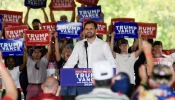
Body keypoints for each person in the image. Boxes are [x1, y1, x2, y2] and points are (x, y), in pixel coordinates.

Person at [63, 20, 116, 95]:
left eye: (91, 29)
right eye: (86, 29)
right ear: (84, 31)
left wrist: (111, 77)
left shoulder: (104, 45)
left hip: (98, 81)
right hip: (82, 81)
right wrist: (63, 73)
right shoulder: (79, 44)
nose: (88, 31)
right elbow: (71, 62)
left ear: (96, 30)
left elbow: (112, 63)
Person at [110, 32, 142, 96]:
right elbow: (110, 50)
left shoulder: (132, 56)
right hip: (118, 83)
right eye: (122, 45)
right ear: (119, 47)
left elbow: (140, 49)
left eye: (126, 45)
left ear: (128, 46)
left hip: (130, 83)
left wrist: (139, 37)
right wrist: (112, 37)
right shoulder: (117, 56)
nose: (124, 46)